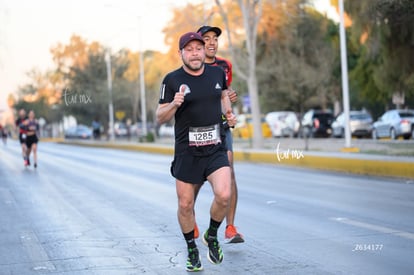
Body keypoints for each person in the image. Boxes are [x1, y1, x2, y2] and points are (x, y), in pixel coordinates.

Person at [156, 31, 237, 272]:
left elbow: (222, 95)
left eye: (198, 48)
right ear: (181, 53)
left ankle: (212, 235)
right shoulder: (171, 80)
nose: (194, 53)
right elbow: (160, 117)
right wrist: (174, 103)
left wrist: (229, 114)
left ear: (204, 52)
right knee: (185, 205)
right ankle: (192, 249)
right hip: (187, 152)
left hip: (214, 148)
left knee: (224, 195)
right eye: (189, 49)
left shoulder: (217, 73)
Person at [195, 25, 244, 243]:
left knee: (230, 172)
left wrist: (230, 102)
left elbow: (225, 93)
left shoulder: (225, 66)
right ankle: (190, 217)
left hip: (222, 127)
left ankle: (230, 228)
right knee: (197, 176)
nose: (212, 42)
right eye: (206, 39)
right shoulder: (193, 66)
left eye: (215, 38)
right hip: (200, 129)